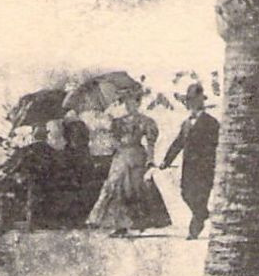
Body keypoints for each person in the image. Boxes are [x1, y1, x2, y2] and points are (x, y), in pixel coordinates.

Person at [86, 99, 171, 237]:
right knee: (116, 187)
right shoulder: (117, 122)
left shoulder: (145, 121)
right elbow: (111, 141)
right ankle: (119, 225)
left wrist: (150, 160)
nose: (130, 105)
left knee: (136, 188)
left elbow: (150, 143)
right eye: (128, 103)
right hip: (121, 157)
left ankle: (138, 223)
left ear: (138, 104)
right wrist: (111, 134)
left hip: (137, 156)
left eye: (133, 102)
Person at [161, 82, 219, 239]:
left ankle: (194, 230)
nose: (191, 104)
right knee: (185, 193)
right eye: (189, 101)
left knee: (201, 195)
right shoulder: (186, 124)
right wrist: (166, 161)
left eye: (194, 100)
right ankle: (202, 214)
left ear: (201, 101)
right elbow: (178, 143)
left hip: (205, 165)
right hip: (189, 166)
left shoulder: (211, 122)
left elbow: (217, 144)